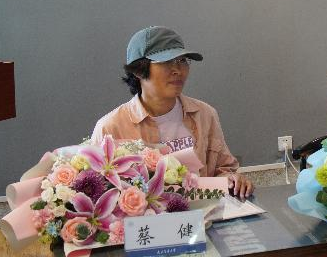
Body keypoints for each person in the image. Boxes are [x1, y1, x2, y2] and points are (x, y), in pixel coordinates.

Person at [91, 26, 252, 198]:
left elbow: (224, 169)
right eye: (166, 62)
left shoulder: (205, 114)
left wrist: (232, 179)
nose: (178, 70)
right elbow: (99, 190)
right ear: (138, 70)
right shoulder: (110, 128)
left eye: (182, 60)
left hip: (203, 211)